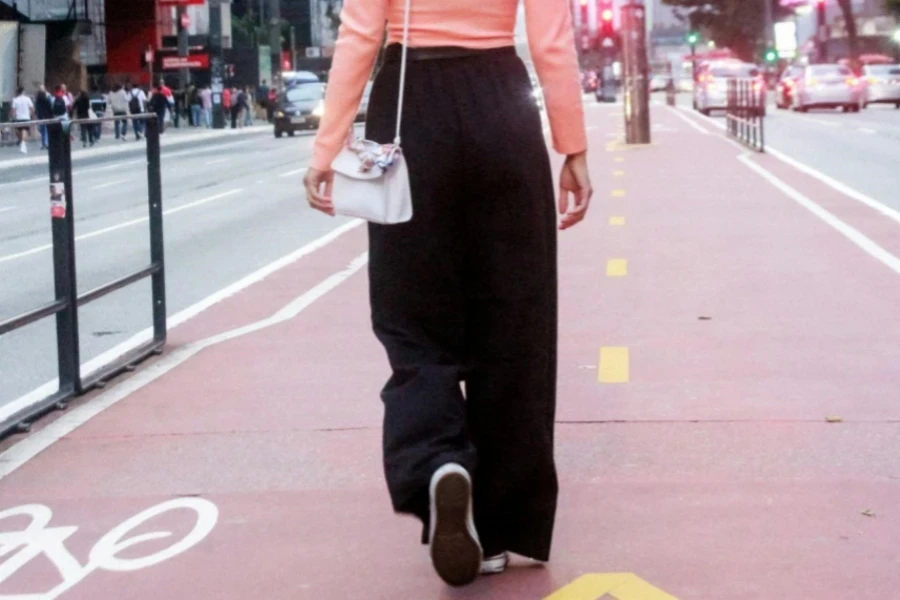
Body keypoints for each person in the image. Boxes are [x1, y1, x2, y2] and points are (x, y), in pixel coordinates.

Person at [302, 0, 591, 588]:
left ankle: (438, 459)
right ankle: (499, 525)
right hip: (503, 106)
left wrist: (326, 148)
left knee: (411, 316)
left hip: (409, 108)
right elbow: (551, 42)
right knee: (516, 317)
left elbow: (359, 35)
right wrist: (573, 146)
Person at [12, 87, 35, 154]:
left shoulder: (15, 100)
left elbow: (13, 110)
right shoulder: (27, 99)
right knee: (25, 130)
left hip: (18, 118)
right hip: (26, 117)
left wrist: (12, 116)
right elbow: (32, 108)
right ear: (23, 92)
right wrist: (31, 115)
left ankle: (22, 142)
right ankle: (23, 143)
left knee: (18, 130)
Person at [35, 85, 54, 150]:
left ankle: (44, 143)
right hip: (47, 115)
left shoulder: (37, 98)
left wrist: (37, 114)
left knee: (43, 129)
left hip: (41, 115)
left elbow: (37, 107)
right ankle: (47, 143)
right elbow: (50, 106)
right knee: (47, 129)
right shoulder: (47, 97)